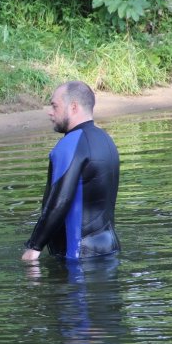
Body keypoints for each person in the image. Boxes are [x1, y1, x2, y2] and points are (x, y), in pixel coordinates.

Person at [22, 81, 120, 261]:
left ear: (73, 107)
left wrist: (34, 247)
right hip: (109, 247)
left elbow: (59, 201)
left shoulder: (70, 144)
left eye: (54, 106)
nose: (50, 112)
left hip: (77, 254)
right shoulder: (106, 140)